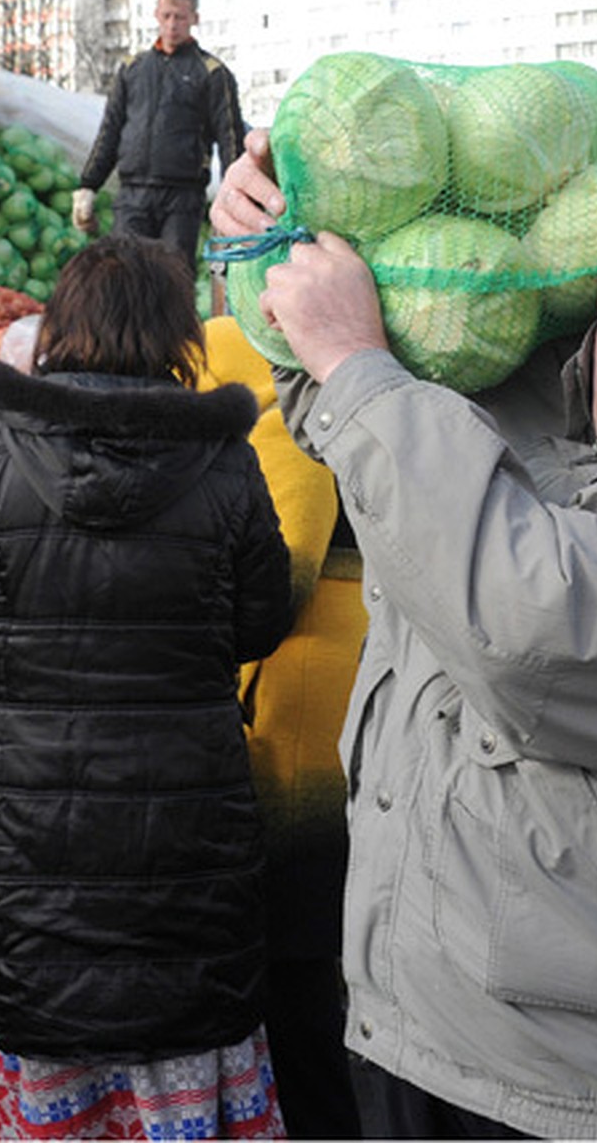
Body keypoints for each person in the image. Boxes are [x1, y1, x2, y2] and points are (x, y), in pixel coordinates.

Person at [213, 134, 597, 1137]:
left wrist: (356, 361)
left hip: (588, 1099)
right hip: (407, 1022)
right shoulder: (526, 391)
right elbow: (355, 434)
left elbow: (531, 623)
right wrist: (280, 240)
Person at [0, 235, 295, 1140]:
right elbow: (260, 622)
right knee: (186, 1023)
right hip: (186, 824)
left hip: (27, 822)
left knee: (51, 1021)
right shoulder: (225, 460)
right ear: (176, 332)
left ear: (63, 327)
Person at [198, 315, 366, 1140]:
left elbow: (280, 577)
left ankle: (317, 1114)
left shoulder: (290, 430)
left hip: (302, 708)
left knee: (297, 948)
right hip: (338, 686)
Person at [71, 0, 245, 276]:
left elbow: (230, 138)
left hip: (182, 197)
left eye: (180, 17)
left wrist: (238, 195)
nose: (172, 24)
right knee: (123, 276)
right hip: (132, 195)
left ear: (195, 19)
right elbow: (110, 130)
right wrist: (88, 185)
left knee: (172, 278)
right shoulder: (132, 69)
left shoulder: (213, 73)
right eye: (166, 16)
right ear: (155, 15)